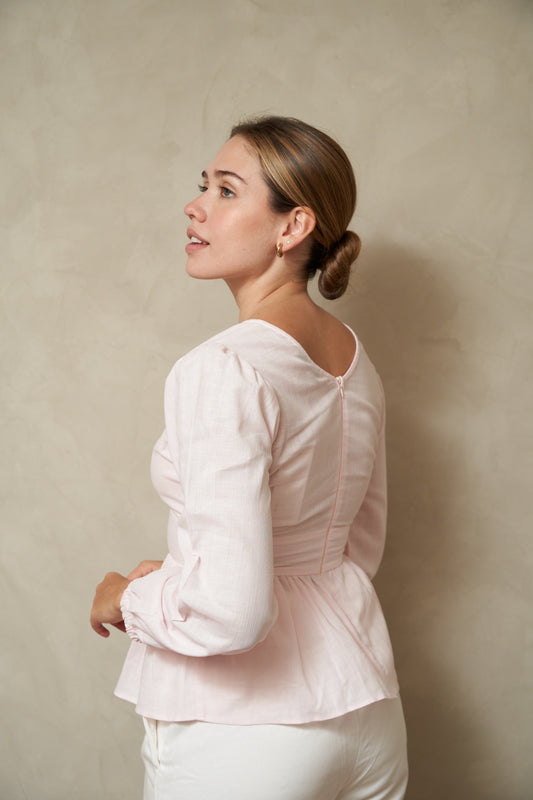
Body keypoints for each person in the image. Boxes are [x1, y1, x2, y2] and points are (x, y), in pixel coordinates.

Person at [90, 115, 408, 800]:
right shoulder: (355, 362)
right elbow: (355, 551)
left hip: (243, 734)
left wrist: (127, 596)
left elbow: (232, 612)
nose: (195, 205)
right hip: (366, 715)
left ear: (293, 226)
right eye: (203, 185)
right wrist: (185, 575)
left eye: (227, 190)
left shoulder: (224, 367)